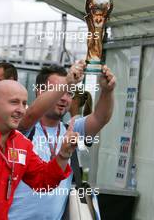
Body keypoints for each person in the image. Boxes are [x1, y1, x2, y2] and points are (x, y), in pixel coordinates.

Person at [9, 64, 116, 220]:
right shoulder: (21, 127)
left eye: (69, 92)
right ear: (40, 92)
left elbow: (101, 118)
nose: (65, 98)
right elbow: (31, 114)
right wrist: (67, 81)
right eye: (59, 89)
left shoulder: (72, 129)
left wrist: (107, 91)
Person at [0, 80, 80, 220]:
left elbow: (43, 181)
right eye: (14, 102)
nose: (21, 110)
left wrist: (64, 154)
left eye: (24, 103)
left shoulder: (22, 144)